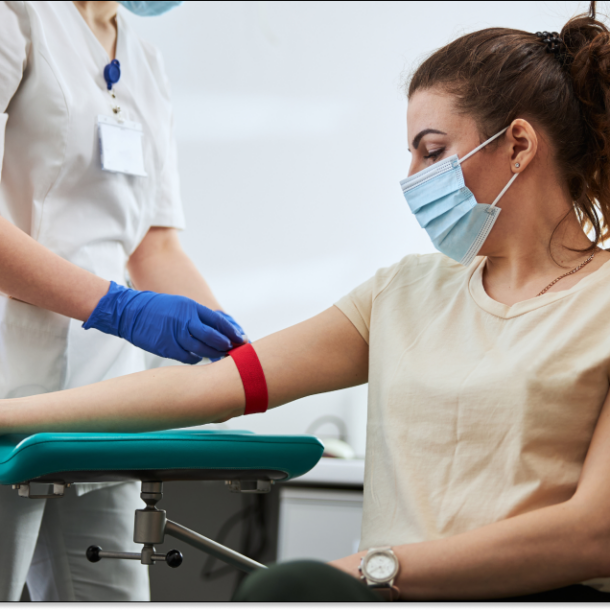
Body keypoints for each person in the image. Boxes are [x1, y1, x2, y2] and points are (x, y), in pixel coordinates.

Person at [4, 0, 610, 604]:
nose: (412, 178)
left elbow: (594, 534)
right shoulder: (406, 293)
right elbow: (211, 387)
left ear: (520, 146)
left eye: (430, 151)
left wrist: (367, 571)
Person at [0, 0, 246, 602]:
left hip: (105, 399)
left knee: (113, 592)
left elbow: (154, 245)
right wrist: (120, 308)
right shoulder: (19, 15)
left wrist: (245, 361)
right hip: (8, 378)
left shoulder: (145, 61)